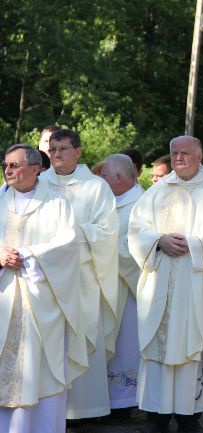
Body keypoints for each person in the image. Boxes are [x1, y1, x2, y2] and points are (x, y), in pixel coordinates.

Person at [128, 135, 203, 433]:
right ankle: (157, 414)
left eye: (185, 153)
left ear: (199, 155)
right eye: (174, 153)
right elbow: (135, 230)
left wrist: (191, 244)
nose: (179, 158)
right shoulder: (158, 190)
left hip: (195, 284)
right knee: (159, 346)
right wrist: (158, 240)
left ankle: (189, 415)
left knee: (193, 347)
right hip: (160, 282)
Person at [0, 144, 87, 433]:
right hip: (3, 296)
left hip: (40, 304)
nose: (8, 170)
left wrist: (27, 255)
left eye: (15, 165)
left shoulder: (57, 204)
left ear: (36, 168)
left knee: (38, 370)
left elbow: (67, 246)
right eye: (6, 165)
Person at [40, 128, 119, 423]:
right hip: (46, 280)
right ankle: (48, 408)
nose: (57, 154)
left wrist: (71, 233)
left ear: (78, 151)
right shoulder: (39, 184)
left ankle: (84, 411)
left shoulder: (96, 187)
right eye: (52, 149)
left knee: (83, 336)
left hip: (83, 279)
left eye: (62, 149)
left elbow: (107, 233)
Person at [99, 154, 143, 420]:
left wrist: (102, 247)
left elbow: (139, 246)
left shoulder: (142, 203)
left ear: (117, 177)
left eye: (104, 176)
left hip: (129, 289)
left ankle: (123, 403)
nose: (101, 181)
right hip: (107, 283)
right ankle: (107, 401)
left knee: (126, 345)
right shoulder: (110, 202)